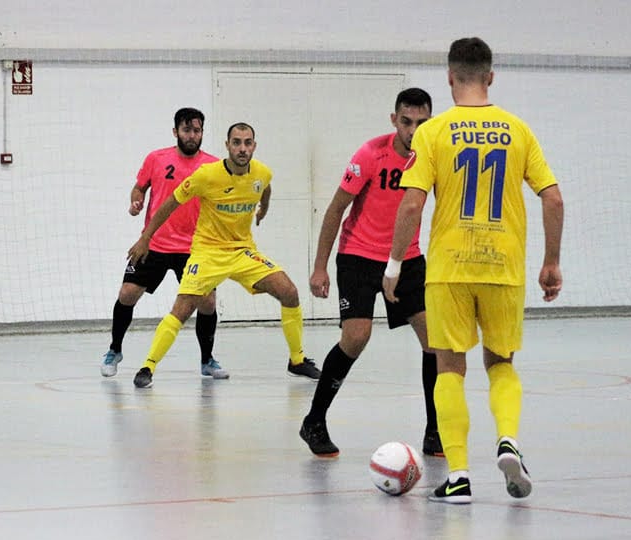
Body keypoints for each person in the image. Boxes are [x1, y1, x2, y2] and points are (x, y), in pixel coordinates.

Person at [383, 37, 564, 504]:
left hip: (449, 268)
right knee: (501, 362)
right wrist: (551, 261)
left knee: (449, 367)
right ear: (490, 76)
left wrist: (395, 264)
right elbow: (553, 197)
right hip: (502, 266)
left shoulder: (432, 132)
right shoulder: (518, 129)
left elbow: (411, 204)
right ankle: (508, 440)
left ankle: (459, 475)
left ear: (449, 78)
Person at [301, 88, 442, 459]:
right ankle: (314, 420)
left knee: (435, 340)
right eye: (407, 122)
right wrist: (319, 267)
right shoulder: (371, 155)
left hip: (407, 258)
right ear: (394, 120)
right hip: (359, 256)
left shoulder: (435, 155)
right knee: (357, 336)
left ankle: (435, 430)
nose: (414, 130)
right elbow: (335, 210)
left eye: (422, 123)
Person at [127, 122, 321, 388]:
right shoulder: (206, 175)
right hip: (207, 253)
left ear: (254, 145)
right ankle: (148, 367)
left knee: (289, 291)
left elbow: (265, 187)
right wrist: (145, 239)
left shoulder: (262, 172)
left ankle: (297, 360)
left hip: (243, 252)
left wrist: (263, 208)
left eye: (247, 142)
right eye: (237, 142)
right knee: (183, 308)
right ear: (227, 145)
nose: (242, 148)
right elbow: (169, 203)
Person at [101, 108, 226, 379]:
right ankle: (115, 349)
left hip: (196, 248)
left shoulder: (214, 167)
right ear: (175, 132)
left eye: (197, 130)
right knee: (127, 294)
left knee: (207, 303)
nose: (192, 135)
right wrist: (136, 200)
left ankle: (207, 360)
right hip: (154, 243)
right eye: (186, 130)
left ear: (202, 132)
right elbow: (139, 187)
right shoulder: (156, 159)